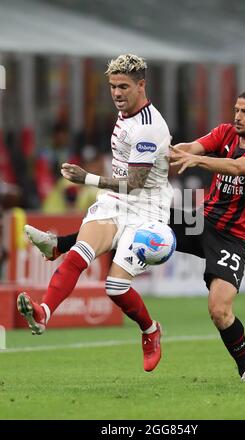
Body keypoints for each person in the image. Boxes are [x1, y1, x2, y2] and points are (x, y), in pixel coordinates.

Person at [24, 89, 245, 383]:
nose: (237, 116)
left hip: (233, 238)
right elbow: (188, 148)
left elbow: (237, 167)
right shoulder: (225, 133)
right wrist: (159, 151)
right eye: (236, 109)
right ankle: (58, 246)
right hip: (201, 220)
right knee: (135, 213)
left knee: (219, 310)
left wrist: (198, 162)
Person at [17, 54, 174, 373]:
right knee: (80, 254)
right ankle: (44, 313)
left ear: (141, 85)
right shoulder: (124, 112)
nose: (116, 93)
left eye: (124, 87)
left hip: (148, 210)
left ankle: (150, 330)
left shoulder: (148, 128)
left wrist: (85, 177)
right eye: (112, 86)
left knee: (114, 288)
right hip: (117, 200)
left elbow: (136, 184)